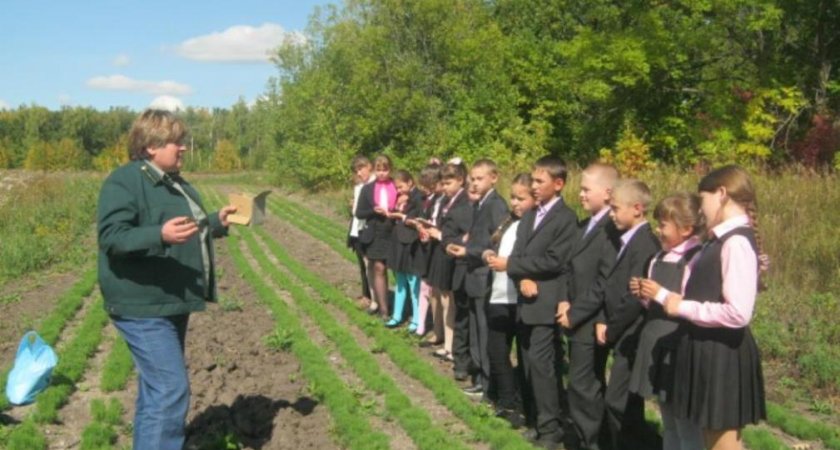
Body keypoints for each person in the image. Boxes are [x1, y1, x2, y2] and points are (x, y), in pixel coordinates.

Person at [97, 109, 237, 450]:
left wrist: (216, 221)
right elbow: (112, 237)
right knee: (170, 389)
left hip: (169, 298)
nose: (183, 148)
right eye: (176, 141)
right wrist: (157, 234)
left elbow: (187, 228)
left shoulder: (173, 182)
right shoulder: (125, 181)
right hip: (142, 305)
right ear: (150, 147)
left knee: (156, 389)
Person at [650, 165, 767, 450]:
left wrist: (682, 307)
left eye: (703, 199)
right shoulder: (720, 240)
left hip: (722, 353)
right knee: (710, 441)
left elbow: (738, 313)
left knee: (722, 445)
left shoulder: (735, 241)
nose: (701, 209)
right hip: (709, 349)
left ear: (722, 194)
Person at [492, 156, 577, 449]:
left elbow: (555, 260)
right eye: (533, 180)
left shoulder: (566, 219)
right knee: (528, 365)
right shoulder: (530, 215)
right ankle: (537, 422)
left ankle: (552, 430)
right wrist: (521, 277)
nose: (535, 186)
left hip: (545, 303)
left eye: (540, 181)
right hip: (524, 301)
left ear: (558, 183)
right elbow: (519, 253)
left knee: (543, 368)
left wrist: (517, 268)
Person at [628, 193, 705, 450]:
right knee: (668, 419)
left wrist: (660, 293)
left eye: (663, 225)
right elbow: (652, 305)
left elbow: (689, 302)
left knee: (685, 423)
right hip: (656, 341)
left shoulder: (695, 258)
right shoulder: (658, 258)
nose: (658, 230)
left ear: (686, 229)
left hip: (677, 345)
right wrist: (643, 295)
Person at [556, 163, 622, 450]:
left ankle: (590, 442)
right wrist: (563, 299)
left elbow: (604, 280)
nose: (580, 194)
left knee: (584, 385)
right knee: (584, 383)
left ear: (607, 193)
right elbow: (568, 268)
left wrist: (575, 312)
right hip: (574, 310)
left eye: (586, 189)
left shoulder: (612, 229)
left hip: (591, 317)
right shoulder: (585, 225)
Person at [595, 179, 661, 450]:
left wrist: (611, 328)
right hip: (621, 330)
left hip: (631, 331)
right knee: (629, 405)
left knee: (618, 401)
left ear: (637, 209)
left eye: (615, 208)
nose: (611, 213)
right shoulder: (627, 239)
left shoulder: (645, 244)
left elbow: (634, 296)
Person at [449, 159, 509, 395]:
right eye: (472, 179)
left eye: (479, 178)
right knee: (475, 330)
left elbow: (495, 243)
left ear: (494, 178)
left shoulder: (495, 205)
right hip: (473, 276)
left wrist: (469, 251)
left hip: (484, 276)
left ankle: (488, 383)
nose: (474, 183)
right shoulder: (479, 204)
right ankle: (479, 378)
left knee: (484, 333)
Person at [483, 173, 534, 427]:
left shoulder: (533, 225)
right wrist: (488, 254)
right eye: (512, 197)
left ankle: (517, 400)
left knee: (520, 354)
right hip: (499, 292)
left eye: (520, 198)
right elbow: (497, 246)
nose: (515, 203)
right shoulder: (510, 222)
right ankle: (505, 398)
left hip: (518, 297)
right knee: (496, 349)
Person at [423, 160, 472, 366]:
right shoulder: (446, 200)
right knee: (442, 297)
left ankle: (452, 346)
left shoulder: (464, 201)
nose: (444, 187)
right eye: (442, 183)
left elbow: (464, 234)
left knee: (449, 299)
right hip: (441, 251)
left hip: (452, 254)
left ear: (461, 181)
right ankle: (446, 341)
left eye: (448, 183)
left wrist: (439, 233)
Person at [355, 154, 397, 319]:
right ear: (374, 170)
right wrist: (373, 210)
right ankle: (384, 309)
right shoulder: (368, 189)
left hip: (393, 229)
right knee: (379, 268)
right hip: (376, 231)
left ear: (390, 170)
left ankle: (401, 306)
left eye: (385, 170)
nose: (381, 174)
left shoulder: (395, 185)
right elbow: (359, 213)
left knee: (397, 270)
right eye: (378, 170)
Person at [385, 170, 425, 329]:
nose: (399, 190)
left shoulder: (418, 197)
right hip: (399, 242)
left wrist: (401, 215)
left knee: (413, 281)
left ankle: (416, 318)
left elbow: (414, 219)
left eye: (401, 187)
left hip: (410, 243)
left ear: (410, 182)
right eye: (397, 188)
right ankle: (397, 315)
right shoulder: (401, 197)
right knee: (400, 280)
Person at [415, 162, 445, 341]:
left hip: (440, 247)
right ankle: (434, 328)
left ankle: (439, 330)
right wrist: (422, 228)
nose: (427, 190)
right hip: (429, 246)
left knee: (438, 292)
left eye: (430, 187)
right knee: (428, 288)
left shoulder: (442, 200)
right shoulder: (432, 200)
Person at [347, 155, 375, 310]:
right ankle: (366, 295)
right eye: (356, 170)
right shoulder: (358, 187)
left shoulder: (375, 185)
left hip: (368, 230)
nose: (358, 173)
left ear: (369, 166)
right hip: (356, 229)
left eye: (360, 169)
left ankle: (373, 298)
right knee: (362, 265)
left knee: (371, 265)